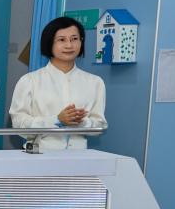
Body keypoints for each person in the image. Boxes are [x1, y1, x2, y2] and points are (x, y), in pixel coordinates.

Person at [10, 16, 106, 150]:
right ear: (49, 43)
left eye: (74, 39)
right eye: (61, 40)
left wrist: (80, 122)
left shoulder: (95, 82)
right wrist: (56, 120)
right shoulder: (29, 81)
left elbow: (100, 126)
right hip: (40, 155)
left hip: (79, 157)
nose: (69, 45)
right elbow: (18, 124)